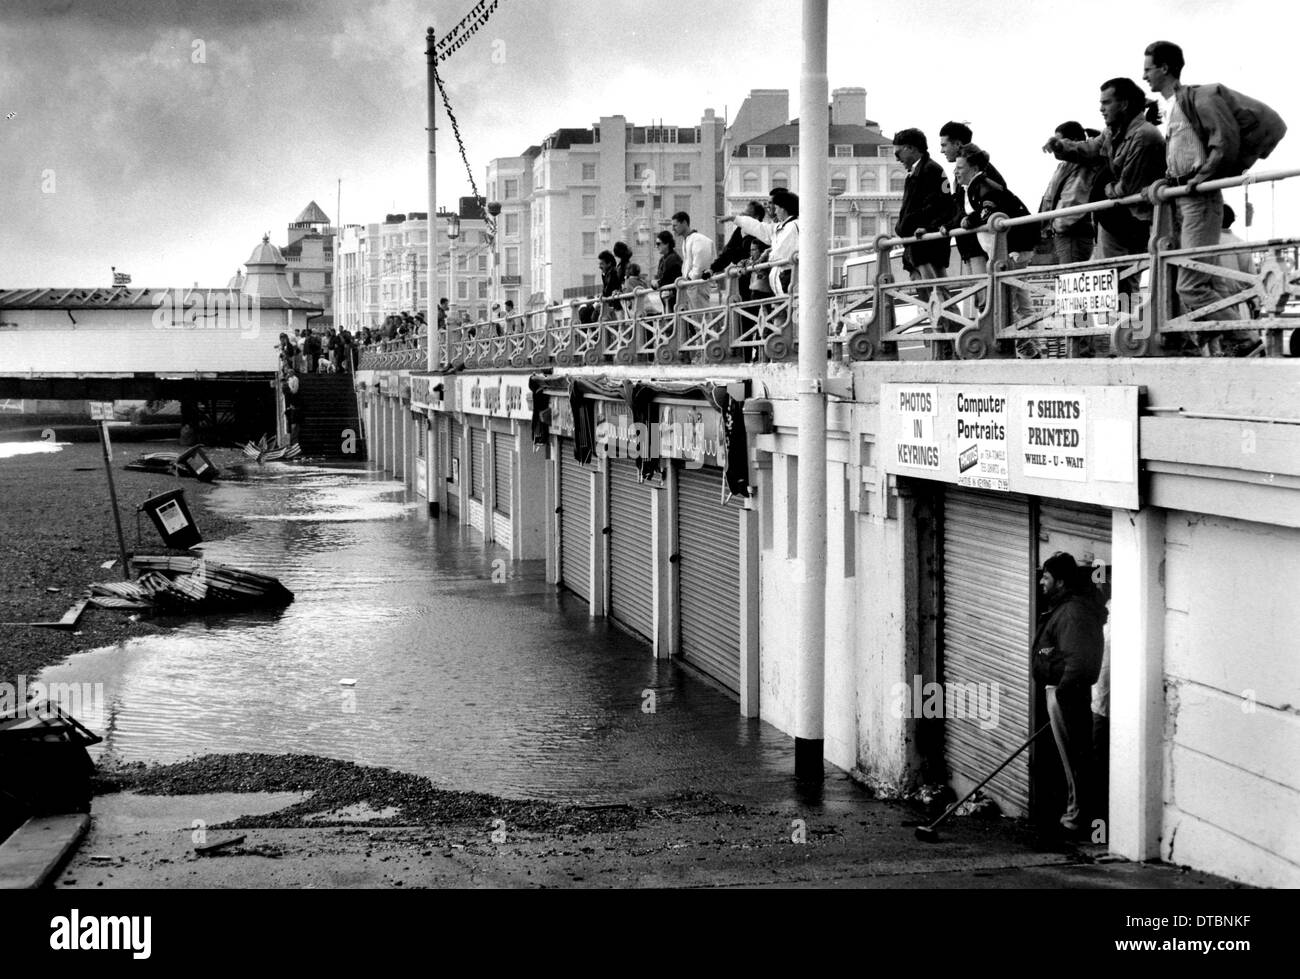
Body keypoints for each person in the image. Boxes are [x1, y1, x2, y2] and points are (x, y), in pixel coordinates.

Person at [1142, 40, 1256, 352]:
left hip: (1199, 201)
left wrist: (1204, 177)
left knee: (1191, 285)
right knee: (1190, 283)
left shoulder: (1196, 99)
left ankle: (1245, 339)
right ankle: (1226, 339)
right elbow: (1184, 153)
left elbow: (1225, 141)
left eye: (1148, 69)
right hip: (1181, 199)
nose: (1144, 77)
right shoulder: (1174, 107)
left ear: (1164, 68)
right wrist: (1163, 184)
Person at [1032, 552, 1107, 837]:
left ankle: (1077, 818)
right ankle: (1075, 813)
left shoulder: (1073, 611)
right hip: (1061, 691)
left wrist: (1062, 692)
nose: (1041, 582)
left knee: (1075, 758)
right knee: (1070, 757)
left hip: (1067, 694)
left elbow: (1078, 660)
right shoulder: (1064, 607)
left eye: (1046, 577)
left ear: (1061, 581)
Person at [893, 128, 954, 286]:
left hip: (927, 247)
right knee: (931, 295)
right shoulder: (917, 172)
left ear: (911, 148)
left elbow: (941, 206)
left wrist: (909, 225)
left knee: (937, 294)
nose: (897, 159)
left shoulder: (931, 170)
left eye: (898, 153)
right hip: (917, 246)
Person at [938, 121, 999, 275]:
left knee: (985, 294)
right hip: (971, 243)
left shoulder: (982, 173)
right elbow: (961, 208)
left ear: (958, 144)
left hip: (981, 245)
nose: (941, 150)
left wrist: (967, 221)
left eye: (944, 145)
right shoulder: (968, 172)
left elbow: (991, 204)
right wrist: (951, 225)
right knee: (979, 294)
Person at [1040, 121, 1101, 265]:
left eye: (1058, 140)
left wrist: (1058, 225)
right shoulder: (1066, 165)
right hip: (1065, 232)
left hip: (1072, 232)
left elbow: (1074, 198)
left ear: (1072, 141)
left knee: (1071, 277)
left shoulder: (1082, 167)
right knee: (1068, 279)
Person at [710, 200, 768, 302]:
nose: (741, 217)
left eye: (745, 215)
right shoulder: (739, 231)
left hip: (757, 283)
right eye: (742, 214)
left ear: (756, 218)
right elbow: (727, 253)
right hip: (743, 279)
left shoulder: (762, 234)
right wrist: (712, 269)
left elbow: (742, 255)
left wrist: (734, 254)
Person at [672, 211, 717, 310]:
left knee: (701, 317)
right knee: (695, 318)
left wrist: (690, 278)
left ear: (684, 223)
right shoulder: (687, 240)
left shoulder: (699, 240)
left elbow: (700, 265)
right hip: (691, 285)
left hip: (697, 285)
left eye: (675, 225)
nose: (673, 229)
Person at [652, 230, 683, 314]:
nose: (656, 246)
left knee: (673, 321)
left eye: (658, 244)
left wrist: (657, 283)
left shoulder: (672, 258)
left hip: (673, 296)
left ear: (667, 244)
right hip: (667, 296)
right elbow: (660, 277)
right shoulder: (663, 259)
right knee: (670, 321)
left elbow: (665, 278)